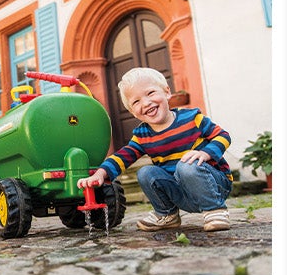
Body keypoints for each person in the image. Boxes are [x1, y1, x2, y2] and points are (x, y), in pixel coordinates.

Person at [82, 67, 238, 232]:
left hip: (213, 185)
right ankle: (167, 214)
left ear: (167, 92)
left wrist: (205, 153)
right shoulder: (143, 135)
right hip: (180, 193)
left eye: (150, 93)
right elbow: (122, 157)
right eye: (136, 102)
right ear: (133, 112)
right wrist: (100, 173)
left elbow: (222, 135)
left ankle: (215, 210)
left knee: (186, 166)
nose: (146, 103)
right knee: (145, 172)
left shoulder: (192, 119)